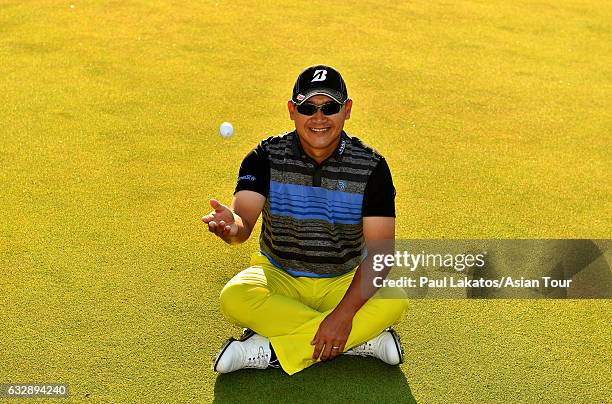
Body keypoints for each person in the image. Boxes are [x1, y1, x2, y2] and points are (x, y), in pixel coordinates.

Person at [203, 65, 408, 375]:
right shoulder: (265, 157)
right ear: (292, 110)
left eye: (330, 107)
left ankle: (268, 350)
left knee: (396, 298)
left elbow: (381, 256)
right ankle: (358, 341)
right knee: (234, 297)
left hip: (342, 281)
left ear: (347, 109)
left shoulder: (372, 167)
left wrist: (343, 315)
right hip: (279, 277)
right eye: (307, 107)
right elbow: (241, 224)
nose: (319, 117)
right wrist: (231, 227)